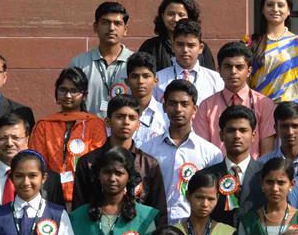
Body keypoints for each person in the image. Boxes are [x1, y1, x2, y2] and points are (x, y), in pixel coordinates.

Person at [71, 95, 169, 221]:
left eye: (132, 118)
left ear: (138, 124)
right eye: (120, 117)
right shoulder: (88, 162)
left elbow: (158, 213)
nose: (126, 122)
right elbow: (78, 209)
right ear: (107, 121)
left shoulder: (149, 164)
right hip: (95, 232)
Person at [143, 79, 224, 223]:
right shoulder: (147, 149)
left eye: (185, 104)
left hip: (194, 226)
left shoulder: (211, 153)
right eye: (173, 103)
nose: (178, 109)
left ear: (195, 108)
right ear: (164, 106)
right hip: (155, 224)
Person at [28, 67, 107, 206]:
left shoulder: (94, 124)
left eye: (74, 91)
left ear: (84, 95)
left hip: (85, 194)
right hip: (50, 195)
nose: (68, 95)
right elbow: (37, 161)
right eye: (63, 90)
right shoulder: (44, 125)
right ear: (56, 92)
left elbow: (97, 162)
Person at [195, 41, 277, 155]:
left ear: (249, 71)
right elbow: (202, 151)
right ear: (219, 70)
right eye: (228, 67)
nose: (233, 72)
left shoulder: (264, 104)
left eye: (239, 67)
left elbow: (267, 154)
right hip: (215, 171)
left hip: (254, 171)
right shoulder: (206, 106)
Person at [199, 104, 265, 225]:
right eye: (231, 130)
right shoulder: (205, 176)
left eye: (243, 130)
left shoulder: (266, 175)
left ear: (253, 135)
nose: (237, 136)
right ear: (221, 135)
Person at [68, 1, 133, 120]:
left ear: (125, 29)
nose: (111, 28)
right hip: (87, 132)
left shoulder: (134, 62)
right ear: (95, 27)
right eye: (105, 22)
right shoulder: (79, 64)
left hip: (125, 133)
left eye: (117, 23)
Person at [247, 0, 298, 103]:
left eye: (280, 5)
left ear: (288, 11)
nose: (275, 9)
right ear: (262, 9)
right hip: (259, 110)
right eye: (270, 5)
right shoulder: (250, 41)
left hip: (291, 112)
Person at [137, 0, 217, 72]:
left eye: (181, 15)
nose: (176, 19)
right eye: (170, 14)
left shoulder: (201, 48)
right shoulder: (150, 46)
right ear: (162, 16)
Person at [154, 19, 224, 105]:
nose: (185, 50)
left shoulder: (216, 80)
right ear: (172, 47)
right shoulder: (158, 79)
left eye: (191, 45)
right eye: (180, 44)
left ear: (201, 48)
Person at [124, 52, 168, 146]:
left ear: (156, 80)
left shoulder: (165, 115)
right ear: (127, 81)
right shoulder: (119, 114)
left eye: (146, 76)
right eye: (135, 76)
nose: (140, 81)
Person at [261, 101, 298, 177]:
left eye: (295, 126)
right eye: (284, 126)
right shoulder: (262, 164)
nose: (290, 132)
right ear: (276, 129)